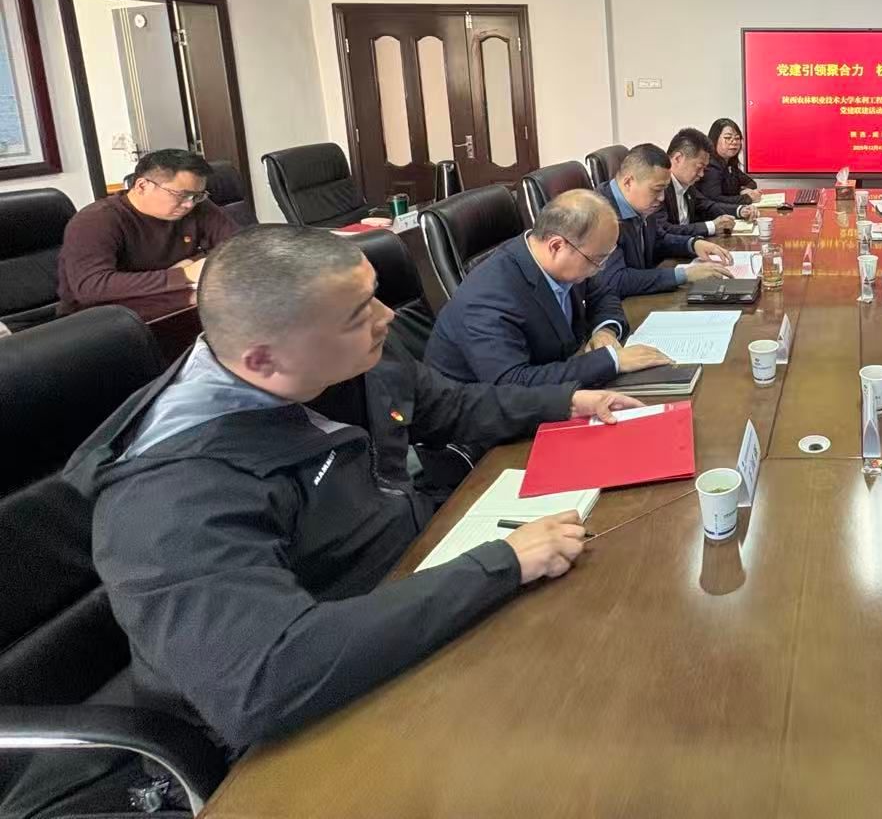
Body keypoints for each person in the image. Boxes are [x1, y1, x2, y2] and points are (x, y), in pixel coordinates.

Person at [61, 224, 645, 758]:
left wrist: (567, 400)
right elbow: (268, 679)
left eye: (374, 296)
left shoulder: (352, 357)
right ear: (263, 359)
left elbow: (452, 405)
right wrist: (501, 565)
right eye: (357, 313)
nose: (387, 316)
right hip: (305, 722)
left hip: (409, 587)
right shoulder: (170, 497)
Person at [427, 189, 671, 389]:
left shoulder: (570, 258)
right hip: (483, 421)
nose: (601, 268)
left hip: (553, 385)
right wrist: (612, 361)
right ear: (556, 246)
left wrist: (604, 331)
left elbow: (603, 293)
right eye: (598, 259)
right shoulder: (488, 296)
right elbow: (513, 382)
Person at [56, 148, 238, 321]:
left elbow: (239, 246)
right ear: (142, 186)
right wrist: (183, 275)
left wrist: (194, 260)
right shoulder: (96, 220)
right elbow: (92, 287)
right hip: (101, 320)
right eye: (181, 195)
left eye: (197, 196)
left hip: (167, 299)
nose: (189, 204)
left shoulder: (197, 206)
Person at [596, 143, 733, 297]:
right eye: (657, 190)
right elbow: (616, 280)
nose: (662, 198)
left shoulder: (641, 203)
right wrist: (684, 274)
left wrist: (693, 244)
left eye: (664, 190)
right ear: (628, 182)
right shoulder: (599, 215)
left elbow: (658, 240)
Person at [661, 127, 746, 235]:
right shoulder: (659, 187)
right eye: (699, 167)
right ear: (678, 158)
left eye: (704, 169)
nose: (701, 174)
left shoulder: (686, 185)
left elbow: (707, 205)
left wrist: (739, 211)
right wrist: (711, 227)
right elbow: (664, 231)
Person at [696, 117, 759, 215]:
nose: (734, 142)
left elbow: (751, 182)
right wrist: (747, 198)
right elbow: (714, 199)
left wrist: (743, 190)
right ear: (714, 140)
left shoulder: (730, 164)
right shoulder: (710, 165)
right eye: (728, 138)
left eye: (737, 138)